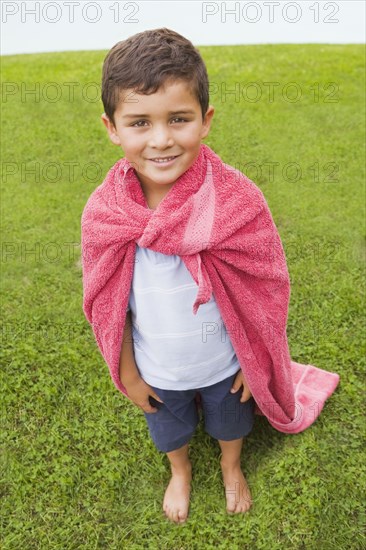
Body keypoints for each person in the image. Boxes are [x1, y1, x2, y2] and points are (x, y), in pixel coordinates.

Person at [99, 27, 256, 524]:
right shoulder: (107, 214)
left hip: (227, 364)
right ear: (112, 128)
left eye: (179, 119)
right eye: (140, 122)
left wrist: (256, 358)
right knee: (170, 433)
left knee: (232, 425)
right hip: (157, 368)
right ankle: (181, 471)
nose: (162, 139)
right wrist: (127, 369)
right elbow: (109, 301)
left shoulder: (235, 201)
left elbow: (262, 288)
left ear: (205, 121)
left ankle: (232, 467)